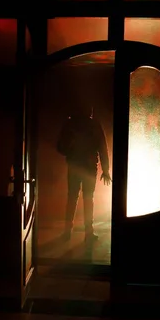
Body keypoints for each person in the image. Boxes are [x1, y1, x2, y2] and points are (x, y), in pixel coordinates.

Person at [57, 103, 111, 242]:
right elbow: (102, 148)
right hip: (89, 167)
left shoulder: (70, 124)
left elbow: (60, 147)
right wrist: (105, 170)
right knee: (88, 199)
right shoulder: (94, 125)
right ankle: (88, 233)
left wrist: (71, 149)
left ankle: (67, 232)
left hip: (75, 165)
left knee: (72, 198)